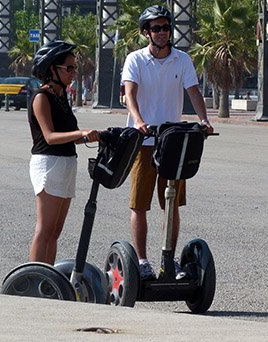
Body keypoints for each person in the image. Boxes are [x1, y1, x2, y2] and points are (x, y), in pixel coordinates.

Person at [122, 5, 213, 280]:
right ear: (146, 32)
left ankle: (168, 260)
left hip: (172, 143)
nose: (162, 33)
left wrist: (204, 119)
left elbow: (193, 91)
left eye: (165, 27)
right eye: (156, 28)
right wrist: (138, 121)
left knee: (171, 204)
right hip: (144, 141)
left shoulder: (182, 59)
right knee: (139, 204)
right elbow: (130, 93)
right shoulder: (135, 60)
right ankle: (141, 261)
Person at [27, 41, 100, 264]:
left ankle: (47, 279)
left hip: (66, 163)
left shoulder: (62, 97)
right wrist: (81, 132)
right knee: (44, 229)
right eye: (69, 68)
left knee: (55, 231)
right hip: (48, 164)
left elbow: (68, 136)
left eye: (74, 68)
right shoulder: (42, 97)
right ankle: (34, 279)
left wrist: (92, 136)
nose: (74, 73)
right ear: (52, 69)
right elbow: (50, 137)